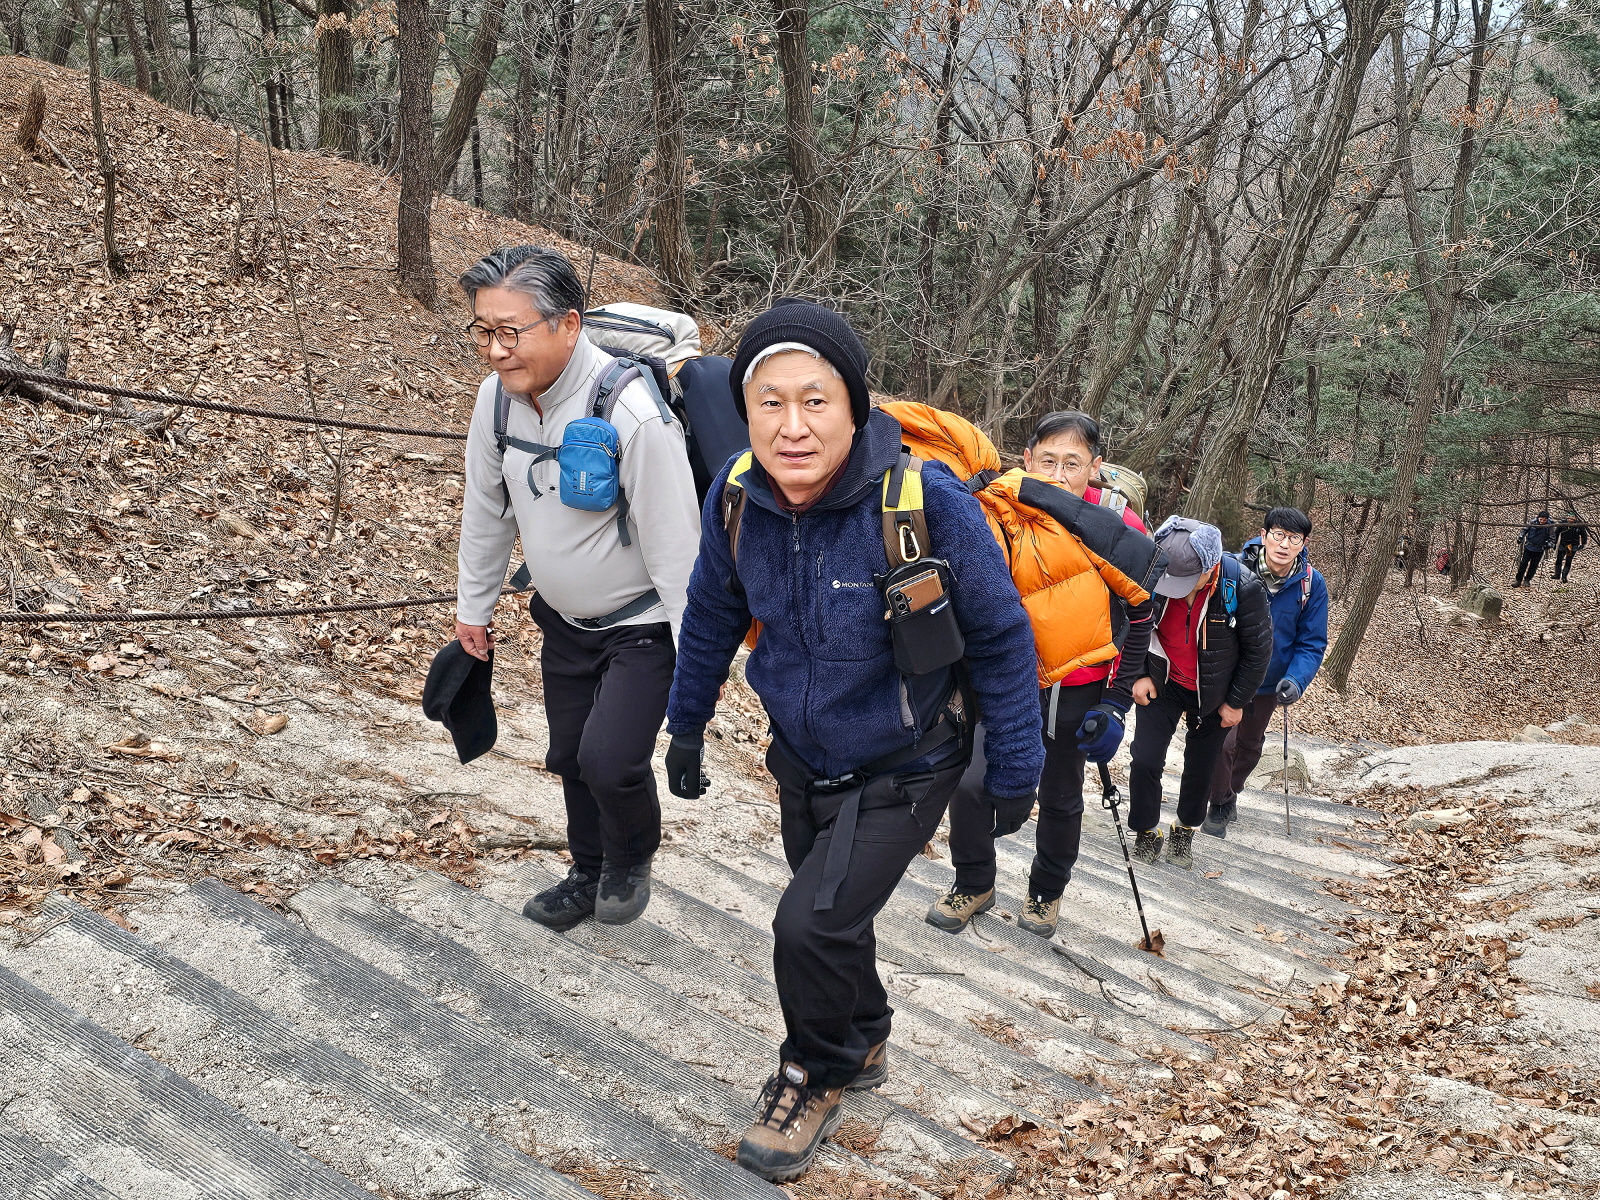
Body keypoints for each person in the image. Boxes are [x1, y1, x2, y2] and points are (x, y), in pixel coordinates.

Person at [662, 299, 1044, 1183]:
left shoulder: (926, 503)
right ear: (745, 409)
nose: (791, 427)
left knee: (807, 924)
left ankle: (813, 1074)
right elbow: (713, 611)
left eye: (815, 401)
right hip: (802, 758)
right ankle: (864, 1034)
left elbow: (1000, 637)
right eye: (770, 403)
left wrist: (1017, 765)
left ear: (855, 405)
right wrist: (686, 722)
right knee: (836, 920)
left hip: (907, 762)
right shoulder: (736, 496)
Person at [453, 245, 700, 930]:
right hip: (563, 621)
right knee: (568, 756)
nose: (496, 351)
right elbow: (486, 510)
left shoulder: (632, 413)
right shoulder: (496, 403)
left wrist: (696, 677)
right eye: (484, 331)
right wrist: (473, 609)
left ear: (569, 324)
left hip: (643, 626)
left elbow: (679, 550)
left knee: (609, 759)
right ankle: (588, 870)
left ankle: (630, 859)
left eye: (511, 332)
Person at [929, 411, 1157, 940]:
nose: (1057, 475)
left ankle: (1046, 891)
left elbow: (1142, 616)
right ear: (1026, 460)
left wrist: (1115, 703)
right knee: (970, 783)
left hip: (1079, 689)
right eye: (1047, 461)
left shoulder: (1115, 526)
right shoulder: (999, 509)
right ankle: (974, 881)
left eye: (1072, 464)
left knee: (1060, 796)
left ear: (1095, 468)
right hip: (1006, 682)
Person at [1126, 518, 1272, 869]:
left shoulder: (1243, 587)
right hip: (1164, 680)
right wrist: (1140, 674)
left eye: (1186, 580)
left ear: (1211, 567)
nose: (1175, 587)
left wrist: (1235, 701)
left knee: (1201, 767)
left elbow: (1258, 652)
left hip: (1214, 693)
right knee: (1145, 759)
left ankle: (1185, 828)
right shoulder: (1153, 573)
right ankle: (1145, 829)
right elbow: (1134, 625)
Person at [1202, 507, 1328, 837]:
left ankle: (1230, 791)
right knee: (1223, 743)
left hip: (1270, 682)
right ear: (1264, 535)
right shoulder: (1232, 569)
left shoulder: (1311, 585)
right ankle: (1218, 802)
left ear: (1303, 544)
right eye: (1278, 535)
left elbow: (1312, 642)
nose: (1284, 544)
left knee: (1249, 747)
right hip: (1227, 675)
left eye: (1294, 538)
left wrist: (1296, 680)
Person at [1513, 511, 1555, 587]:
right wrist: (1521, 537)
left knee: (1533, 566)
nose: (1542, 521)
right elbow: (1524, 530)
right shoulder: (1532, 522)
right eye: (1541, 519)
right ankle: (1518, 580)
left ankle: (1527, 580)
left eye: (1544, 520)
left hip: (1539, 549)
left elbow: (1552, 538)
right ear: (1538, 517)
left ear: (1547, 519)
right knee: (1523, 564)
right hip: (1529, 547)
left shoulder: (1550, 526)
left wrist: (1548, 545)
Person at [1552, 513, 1588, 582]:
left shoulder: (1579, 525)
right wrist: (1554, 543)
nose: (1570, 519)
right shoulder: (1562, 523)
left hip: (1572, 545)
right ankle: (1557, 574)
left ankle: (1564, 576)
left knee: (1568, 561)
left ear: (1575, 518)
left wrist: (1583, 544)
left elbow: (1584, 535)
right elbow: (1556, 533)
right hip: (1563, 544)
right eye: (1569, 517)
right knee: (1559, 559)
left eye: (1572, 518)